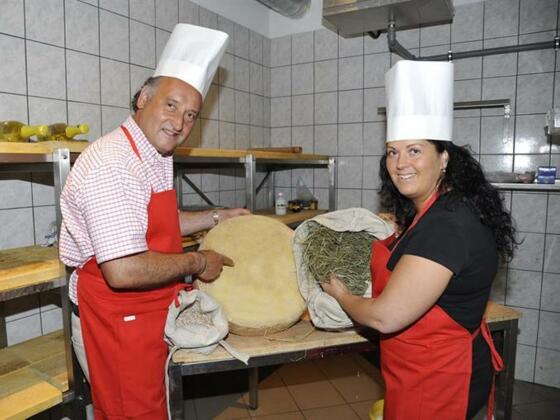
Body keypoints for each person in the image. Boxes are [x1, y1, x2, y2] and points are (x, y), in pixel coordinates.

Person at [59, 24, 249, 419]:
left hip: (146, 312)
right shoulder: (113, 163)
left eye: (191, 115)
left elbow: (151, 223)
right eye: (172, 105)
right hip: (117, 320)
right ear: (144, 97)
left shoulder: (151, 153)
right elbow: (123, 269)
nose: (179, 123)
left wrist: (216, 216)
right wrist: (199, 261)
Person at [322, 60, 517, 420]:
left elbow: (385, 317)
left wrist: (342, 295)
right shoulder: (444, 207)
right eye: (392, 151)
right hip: (422, 367)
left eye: (414, 150)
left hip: (439, 380)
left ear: (443, 158)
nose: (400, 163)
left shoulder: (447, 224)